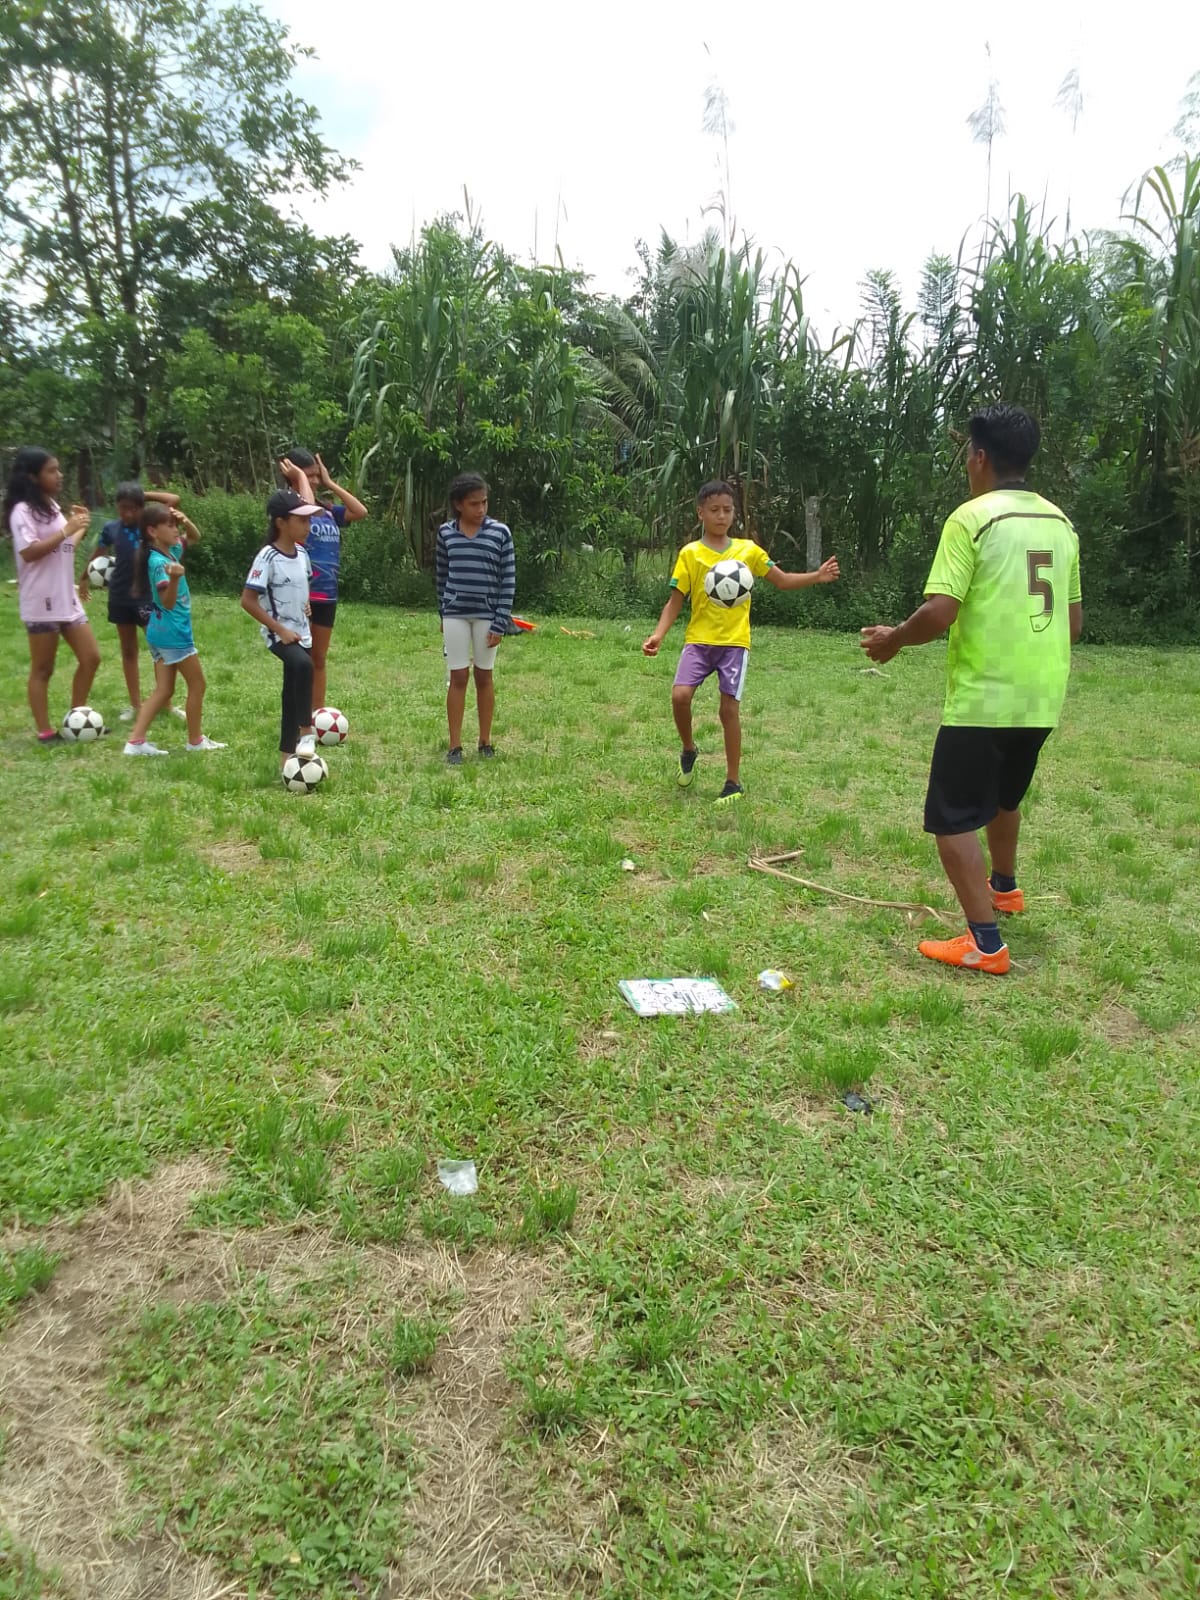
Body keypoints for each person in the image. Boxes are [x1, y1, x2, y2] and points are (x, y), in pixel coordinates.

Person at [860, 404, 1083, 975]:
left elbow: (940, 611)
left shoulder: (972, 519)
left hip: (985, 697)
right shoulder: (1060, 523)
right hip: (1042, 696)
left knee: (952, 818)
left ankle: (985, 944)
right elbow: (1074, 623)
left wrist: (893, 640)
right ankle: (1004, 888)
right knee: (1005, 797)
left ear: (980, 458)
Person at [642, 480, 840, 804]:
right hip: (699, 642)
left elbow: (782, 580)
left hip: (734, 644)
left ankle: (733, 782)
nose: (722, 516)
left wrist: (816, 576)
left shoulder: (748, 551)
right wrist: (658, 634)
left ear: (734, 513)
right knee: (680, 696)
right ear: (700, 513)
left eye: (727, 510)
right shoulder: (690, 554)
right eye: (714, 510)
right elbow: (675, 601)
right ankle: (689, 749)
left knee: (728, 710)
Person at [3, 446, 102, 743]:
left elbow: (63, 547)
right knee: (43, 669)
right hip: (40, 600)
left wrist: (79, 528)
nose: (59, 475)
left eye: (58, 469)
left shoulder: (51, 506)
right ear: (32, 476)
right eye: (51, 470)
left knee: (91, 657)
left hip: (65, 597)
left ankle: (76, 719)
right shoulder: (22, 511)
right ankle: (45, 732)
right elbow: (30, 552)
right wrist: (66, 530)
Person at [123, 505, 224, 755]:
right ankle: (195, 741)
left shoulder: (169, 551)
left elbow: (195, 537)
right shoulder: (160, 563)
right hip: (173, 634)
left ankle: (135, 742)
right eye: (169, 525)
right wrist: (176, 578)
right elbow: (167, 602)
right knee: (198, 684)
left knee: (164, 690)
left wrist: (186, 520)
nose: (176, 529)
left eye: (175, 525)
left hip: (158, 631)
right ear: (152, 531)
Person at [82, 481, 185, 724]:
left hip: (147, 597)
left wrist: (142, 493)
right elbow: (98, 554)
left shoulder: (149, 527)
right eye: (123, 508)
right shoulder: (111, 528)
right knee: (128, 651)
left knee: (160, 649)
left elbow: (173, 499)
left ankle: (165, 702)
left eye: (133, 508)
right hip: (120, 597)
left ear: (142, 507)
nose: (127, 513)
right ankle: (135, 704)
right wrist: (84, 577)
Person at [277, 450, 367, 713]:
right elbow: (305, 507)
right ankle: (298, 716)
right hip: (300, 595)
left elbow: (360, 511)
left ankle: (316, 715)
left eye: (317, 475)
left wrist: (329, 483)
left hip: (326, 595)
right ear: (292, 474)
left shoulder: (327, 510)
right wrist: (298, 477)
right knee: (301, 659)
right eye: (310, 476)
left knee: (318, 658)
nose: (315, 480)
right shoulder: (289, 507)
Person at [435, 472, 516, 764]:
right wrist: (442, 612)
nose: (480, 509)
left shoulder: (500, 533)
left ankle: (485, 741)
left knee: (484, 675)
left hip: (487, 616)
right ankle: (454, 745)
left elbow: (508, 580)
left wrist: (500, 621)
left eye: (484, 502)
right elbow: (441, 576)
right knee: (457, 676)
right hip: (455, 614)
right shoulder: (445, 533)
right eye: (473, 503)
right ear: (458, 504)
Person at [240, 489, 323, 773]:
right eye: (302, 521)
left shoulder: (302, 554)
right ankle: (307, 732)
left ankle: (287, 758)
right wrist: (279, 629)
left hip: (302, 632)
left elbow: (303, 584)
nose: (308, 526)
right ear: (281, 522)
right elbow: (248, 600)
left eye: (309, 520)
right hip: (279, 634)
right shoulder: (268, 556)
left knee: (292, 691)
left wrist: (306, 605)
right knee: (304, 666)